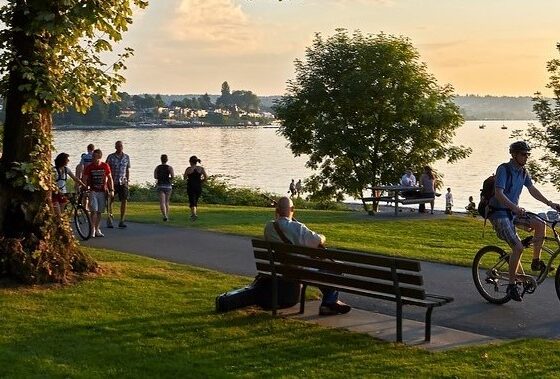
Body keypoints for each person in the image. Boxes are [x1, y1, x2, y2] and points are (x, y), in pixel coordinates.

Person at [490, 141, 560, 302]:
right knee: (518, 247)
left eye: (528, 154)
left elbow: (533, 190)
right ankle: (511, 285)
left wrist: (551, 204)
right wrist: (514, 207)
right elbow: (499, 194)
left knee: (540, 224)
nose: (526, 157)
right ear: (514, 155)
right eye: (523, 154)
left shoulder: (523, 172)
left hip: (514, 214)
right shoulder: (504, 169)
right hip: (500, 215)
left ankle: (535, 262)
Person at [264, 196, 352, 316]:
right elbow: (317, 240)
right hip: (303, 270)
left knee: (325, 268)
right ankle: (329, 302)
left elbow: (279, 224)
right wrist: (322, 236)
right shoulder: (298, 227)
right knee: (336, 267)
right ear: (293, 209)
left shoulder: (269, 228)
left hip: (285, 269)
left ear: (277, 211)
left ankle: (330, 302)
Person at [82, 149, 114, 237]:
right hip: (93, 191)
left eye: (94, 156)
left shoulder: (105, 166)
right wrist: (85, 189)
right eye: (92, 156)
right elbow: (84, 178)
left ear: (99, 157)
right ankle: (92, 229)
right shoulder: (89, 167)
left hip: (102, 191)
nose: (92, 158)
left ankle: (97, 229)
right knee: (94, 211)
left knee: (99, 211)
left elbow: (110, 178)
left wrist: (112, 190)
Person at [106, 141, 131, 228]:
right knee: (110, 200)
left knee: (124, 200)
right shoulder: (110, 157)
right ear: (115, 147)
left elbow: (127, 169)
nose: (120, 147)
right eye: (118, 146)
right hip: (113, 182)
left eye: (121, 146)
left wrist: (127, 181)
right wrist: (107, 182)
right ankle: (110, 218)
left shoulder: (126, 157)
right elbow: (106, 169)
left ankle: (122, 220)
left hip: (123, 182)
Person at [184, 155, 207, 221]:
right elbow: (206, 177)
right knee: (195, 201)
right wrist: (201, 182)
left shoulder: (188, 169)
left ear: (190, 162)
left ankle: (194, 214)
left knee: (192, 201)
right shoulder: (201, 169)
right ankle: (193, 214)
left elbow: (185, 177)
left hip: (190, 186)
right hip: (198, 186)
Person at [154, 154, 174, 221]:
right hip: (168, 186)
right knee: (167, 202)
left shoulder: (157, 167)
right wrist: (168, 178)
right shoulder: (169, 167)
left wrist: (160, 177)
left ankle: (164, 215)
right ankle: (167, 216)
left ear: (161, 159)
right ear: (167, 160)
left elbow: (155, 176)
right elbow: (173, 176)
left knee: (162, 202)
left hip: (160, 186)